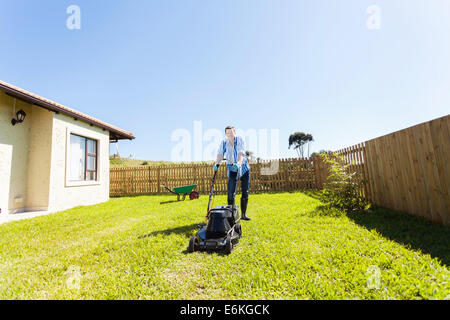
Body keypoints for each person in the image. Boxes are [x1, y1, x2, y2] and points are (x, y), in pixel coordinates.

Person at [213, 126, 251, 221]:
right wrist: (217, 163)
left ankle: (243, 214)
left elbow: (240, 153)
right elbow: (220, 154)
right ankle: (231, 216)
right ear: (226, 134)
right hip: (231, 167)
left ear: (235, 132)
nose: (230, 134)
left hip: (243, 166)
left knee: (245, 191)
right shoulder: (224, 142)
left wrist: (238, 163)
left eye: (231, 132)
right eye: (228, 133)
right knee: (231, 191)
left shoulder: (239, 140)